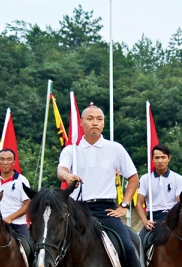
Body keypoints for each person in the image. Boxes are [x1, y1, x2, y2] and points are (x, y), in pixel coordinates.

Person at [57, 105, 141, 267]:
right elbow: (61, 170)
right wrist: (67, 176)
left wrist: (124, 205)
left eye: (99, 119)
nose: (95, 122)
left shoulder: (115, 148)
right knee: (49, 246)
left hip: (105, 210)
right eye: (90, 119)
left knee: (128, 247)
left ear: (103, 124)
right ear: (81, 123)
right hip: (76, 211)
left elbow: (133, 177)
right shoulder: (71, 150)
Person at [136, 144, 182, 243]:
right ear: (152, 159)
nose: (160, 161)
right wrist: (145, 221)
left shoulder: (178, 178)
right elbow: (139, 203)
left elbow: (180, 202)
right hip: (153, 219)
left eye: (163, 157)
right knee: (138, 245)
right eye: (157, 158)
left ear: (169, 158)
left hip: (173, 219)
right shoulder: (145, 179)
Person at [0, 148, 30, 238]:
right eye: (2, 159)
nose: (5, 162)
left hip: (17, 224)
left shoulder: (21, 180)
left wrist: (11, 218)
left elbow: (28, 204)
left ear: (14, 162)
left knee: (30, 248)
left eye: (9, 159)